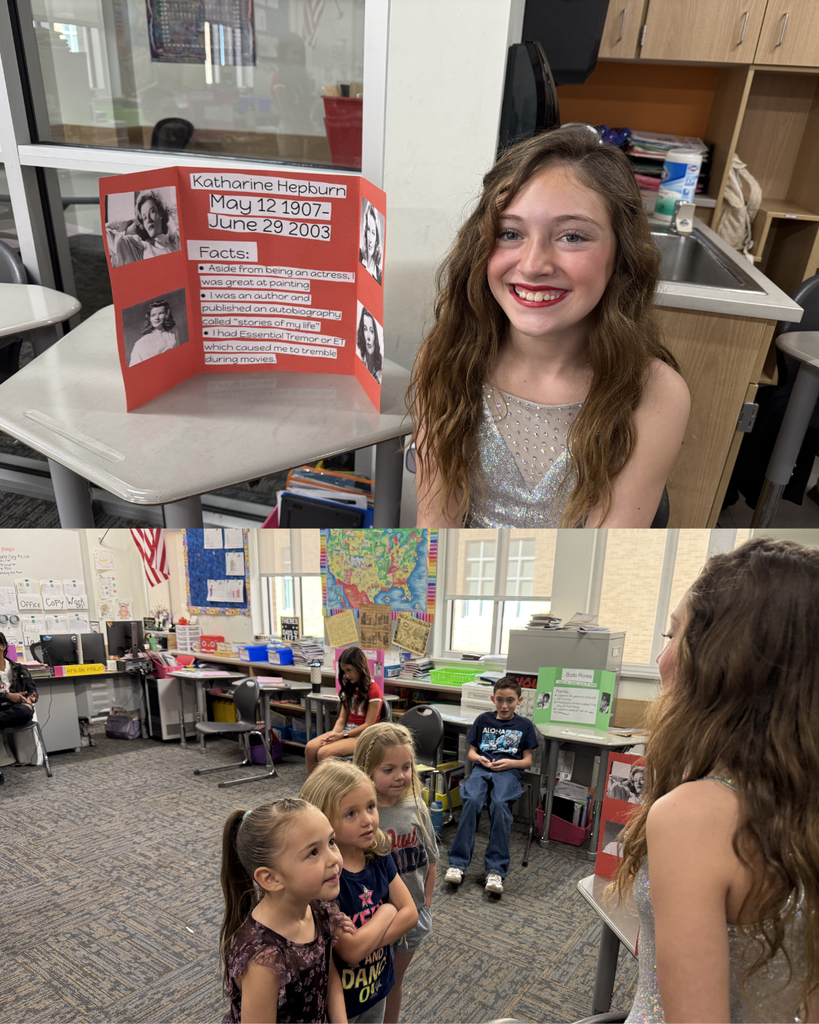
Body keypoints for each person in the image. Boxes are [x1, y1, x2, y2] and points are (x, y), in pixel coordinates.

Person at [409, 124, 691, 528]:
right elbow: (436, 529)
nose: (533, 264)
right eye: (510, 233)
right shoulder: (445, 360)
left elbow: (600, 567)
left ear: (621, 256)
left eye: (572, 236)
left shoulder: (654, 393)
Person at [612, 537, 819, 1023]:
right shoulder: (800, 803)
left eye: (672, 637)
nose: (662, 663)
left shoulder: (694, 815)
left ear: (723, 663)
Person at [300, 761, 418, 1024]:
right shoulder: (326, 877)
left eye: (371, 807)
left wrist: (365, 940)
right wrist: (387, 912)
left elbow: (410, 914)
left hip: (377, 986)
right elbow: (350, 951)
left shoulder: (378, 855)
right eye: (351, 814)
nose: (368, 820)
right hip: (343, 1002)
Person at [219, 798, 348, 1023]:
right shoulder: (264, 958)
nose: (334, 858)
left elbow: (330, 976)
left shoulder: (317, 909)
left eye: (331, 842)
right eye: (313, 853)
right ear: (271, 878)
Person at [354, 724, 437, 1024]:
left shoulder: (416, 807)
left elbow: (431, 858)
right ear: (366, 769)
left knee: (394, 981)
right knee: (368, 982)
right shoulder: (362, 815)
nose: (400, 776)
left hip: (411, 916)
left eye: (405, 767)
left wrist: (425, 902)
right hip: (370, 916)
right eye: (388, 769)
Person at [444, 675, 539, 895]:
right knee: (472, 800)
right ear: (492, 699)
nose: (504, 705)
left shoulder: (524, 725)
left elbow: (527, 761)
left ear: (519, 701)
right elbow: (471, 752)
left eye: (510, 700)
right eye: (499, 700)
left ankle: (495, 871)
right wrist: (479, 759)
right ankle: (457, 864)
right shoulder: (483, 720)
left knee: (499, 804)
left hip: (509, 772)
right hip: (483, 769)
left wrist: (510, 762)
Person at [305, 648, 383, 773]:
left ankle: (330, 790)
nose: (347, 675)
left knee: (324, 753)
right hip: (346, 731)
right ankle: (313, 789)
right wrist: (333, 735)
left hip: (364, 736)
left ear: (360, 667)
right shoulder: (350, 687)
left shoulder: (374, 690)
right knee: (310, 748)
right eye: (344, 671)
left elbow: (369, 724)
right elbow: (342, 718)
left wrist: (342, 735)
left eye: (349, 670)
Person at [0, 631, 37, 785]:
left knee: (26, 709)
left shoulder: (18, 668)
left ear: (2, 647)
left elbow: (32, 690)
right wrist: (7, 696)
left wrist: (30, 697)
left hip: (16, 710)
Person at [111, 189, 180, 267]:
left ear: (160, 214)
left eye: (152, 212)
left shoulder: (175, 240)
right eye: (144, 218)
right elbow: (107, 233)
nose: (149, 220)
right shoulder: (142, 246)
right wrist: (129, 222)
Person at [129, 299, 180, 366]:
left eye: (161, 313)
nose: (156, 318)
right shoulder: (141, 343)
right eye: (153, 315)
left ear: (166, 314)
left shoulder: (173, 334)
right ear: (149, 318)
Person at [357, 308, 383, 384]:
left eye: (371, 331)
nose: (368, 337)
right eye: (365, 329)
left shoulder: (380, 369)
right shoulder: (361, 357)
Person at [359, 203, 383, 285]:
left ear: (377, 240)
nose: (370, 238)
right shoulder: (357, 257)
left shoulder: (380, 276)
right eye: (368, 229)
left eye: (373, 233)